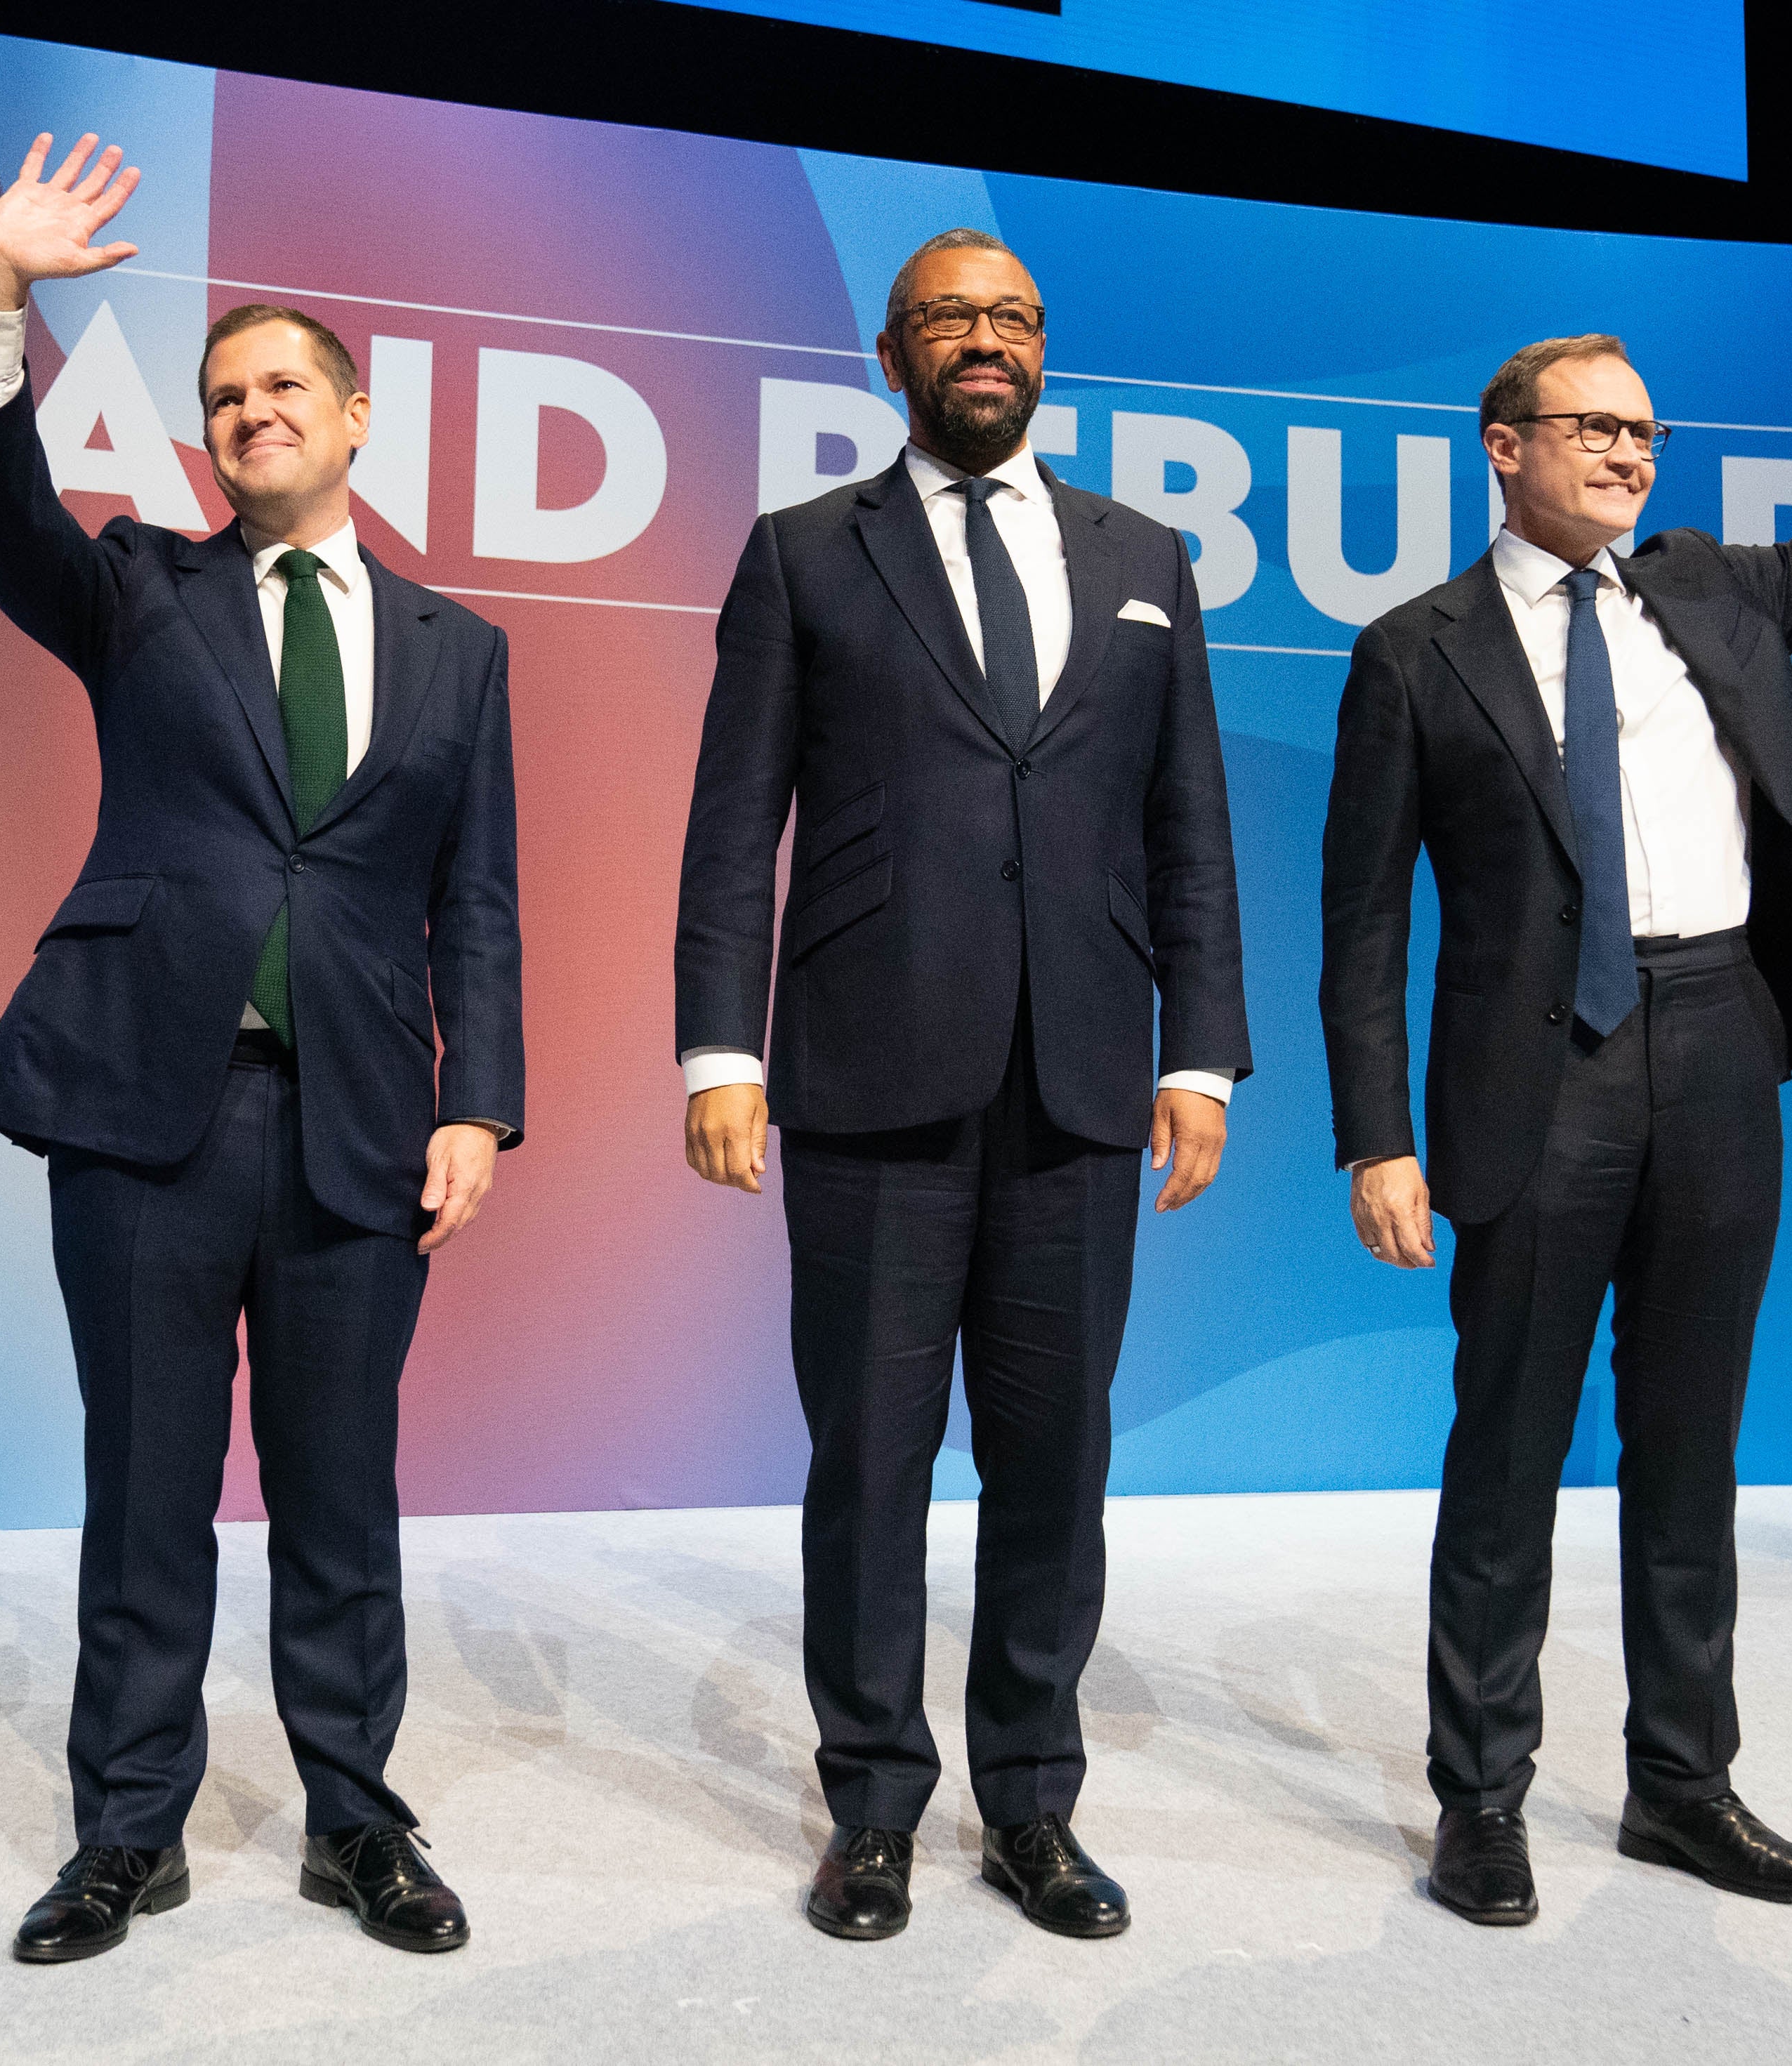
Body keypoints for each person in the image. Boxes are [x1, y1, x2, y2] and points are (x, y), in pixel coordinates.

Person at [1319, 169, 1792, 1924]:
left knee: (1688, 1441)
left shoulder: (1718, 592)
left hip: (1719, 1039)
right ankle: (1479, 1798)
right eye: (1595, 427)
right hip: (1530, 1070)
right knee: (1503, 1448)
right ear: (1501, 445)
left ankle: (1680, 1784)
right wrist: (1374, 1135)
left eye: (1646, 431)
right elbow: (1360, 921)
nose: (1632, 454)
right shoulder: (1409, 655)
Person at [0, 136, 522, 1962]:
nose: (248, 411)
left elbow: (475, 896)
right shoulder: (137, 588)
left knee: (342, 1494)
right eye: (221, 397)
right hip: (141, 1114)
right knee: (145, 1487)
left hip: (358, 1120)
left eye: (281, 387)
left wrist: (480, 1097)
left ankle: (357, 1816)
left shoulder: (457, 647)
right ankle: (127, 1828)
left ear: (353, 417)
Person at [677, 228, 1249, 1942]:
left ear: (1042, 348)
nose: (980, 342)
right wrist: (722, 1048)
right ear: (889, 351)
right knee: (870, 1459)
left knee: (1055, 1461)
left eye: (1007, 318)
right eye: (948, 319)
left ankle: (1031, 1807)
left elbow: (1189, 832)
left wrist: (1201, 1054)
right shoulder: (802, 556)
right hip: (862, 1077)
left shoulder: (1142, 554)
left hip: (1080, 1079)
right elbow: (730, 827)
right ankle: (868, 1808)